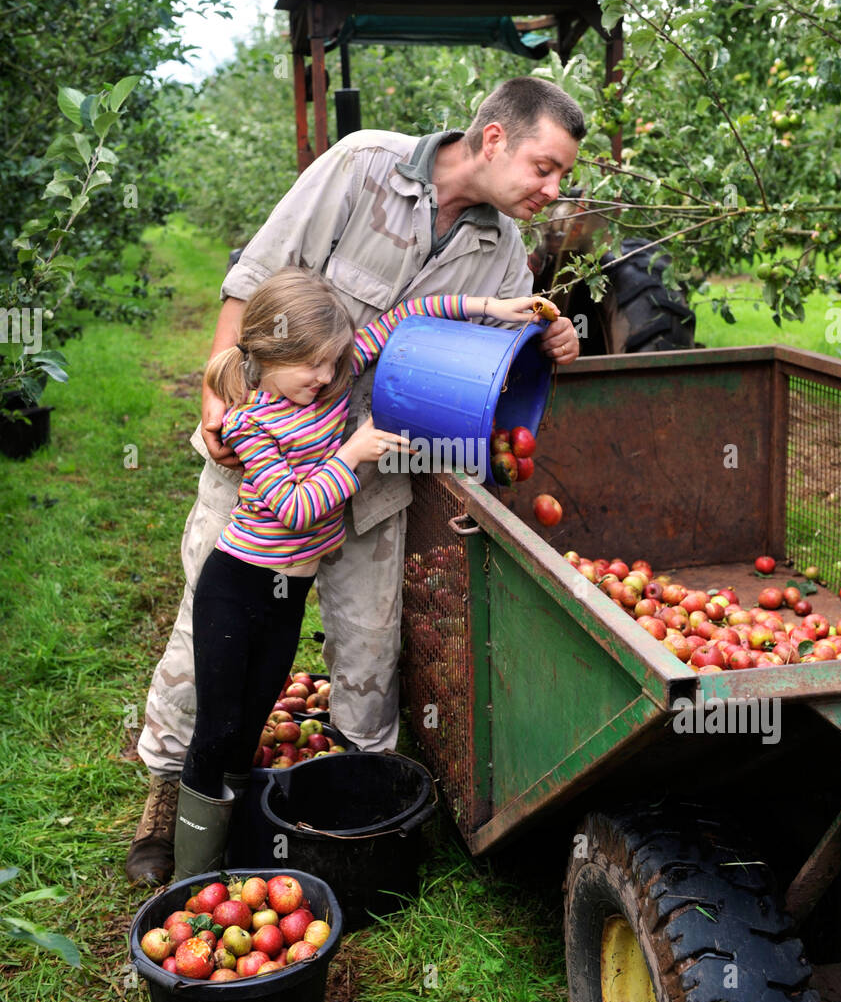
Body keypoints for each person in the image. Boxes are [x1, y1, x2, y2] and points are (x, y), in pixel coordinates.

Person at [127, 75, 586, 885]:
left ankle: (354, 808)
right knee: (209, 640)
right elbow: (253, 276)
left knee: (370, 652)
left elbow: (483, 341)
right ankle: (167, 806)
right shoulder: (360, 168)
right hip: (266, 468)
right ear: (492, 139)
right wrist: (214, 394)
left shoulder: (501, 251)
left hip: (378, 482)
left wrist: (552, 339)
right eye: (544, 168)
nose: (552, 192)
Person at [173, 269, 541, 879]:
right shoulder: (251, 423)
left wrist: (495, 305)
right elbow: (295, 509)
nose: (326, 378)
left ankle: (232, 855)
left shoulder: (333, 376)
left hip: (286, 595)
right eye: (311, 367)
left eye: (334, 362)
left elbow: (409, 313)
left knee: (255, 715)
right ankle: (193, 876)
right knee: (218, 727)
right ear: (267, 354)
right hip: (235, 588)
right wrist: (352, 452)